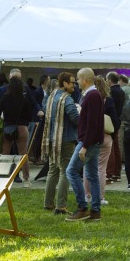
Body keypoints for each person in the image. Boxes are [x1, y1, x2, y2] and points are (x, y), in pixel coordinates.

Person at [65, 67, 104, 222]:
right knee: (92, 176)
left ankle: (82, 208)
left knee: (71, 171)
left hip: (89, 142)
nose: (77, 82)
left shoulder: (92, 95)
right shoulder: (92, 95)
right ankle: (95, 211)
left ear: (85, 80)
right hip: (92, 141)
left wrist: (85, 146)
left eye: (78, 79)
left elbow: (92, 124)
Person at [41, 72, 79, 215]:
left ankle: (48, 203)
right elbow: (75, 118)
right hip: (65, 139)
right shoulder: (66, 99)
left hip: (50, 138)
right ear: (64, 84)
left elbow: (45, 111)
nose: (74, 85)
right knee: (65, 171)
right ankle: (61, 206)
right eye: (71, 83)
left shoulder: (50, 97)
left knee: (53, 170)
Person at [86, 75, 118, 206]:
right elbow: (115, 120)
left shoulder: (87, 98)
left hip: (90, 137)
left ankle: (87, 195)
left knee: (87, 168)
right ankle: (100, 197)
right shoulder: (108, 100)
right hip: (105, 136)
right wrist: (113, 134)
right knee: (101, 169)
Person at [0, 76, 32, 187]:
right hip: (22, 128)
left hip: (8, 128)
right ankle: (26, 179)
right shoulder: (24, 98)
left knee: (5, 153)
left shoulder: (5, 98)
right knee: (23, 154)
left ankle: (3, 178)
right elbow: (29, 116)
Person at [106, 71, 124, 183]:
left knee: (110, 149)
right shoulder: (121, 91)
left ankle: (110, 173)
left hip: (111, 121)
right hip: (118, 121)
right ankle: (117, 173)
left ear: (109, 80)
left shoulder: (111, 92)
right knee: (116, 148)